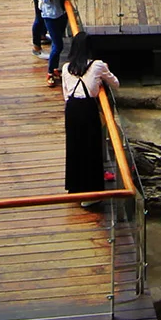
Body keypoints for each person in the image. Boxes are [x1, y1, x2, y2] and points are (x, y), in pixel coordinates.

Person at [59, 42, 119, 207]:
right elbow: (116, 83)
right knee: (91, 148)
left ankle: (76, 189)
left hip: (71, 108)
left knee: (74, 148)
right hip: (87, 108)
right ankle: (91, 194)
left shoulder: (66, 68)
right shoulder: (98, 65)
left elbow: (66, 93)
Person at [34, 0, 73, 86]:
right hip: (50, 16)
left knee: (57, 43)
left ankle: (55, 68)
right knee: (58, 45)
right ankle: (50, 72)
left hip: (62, 13)